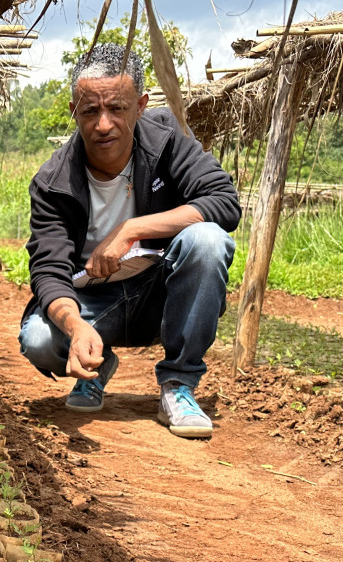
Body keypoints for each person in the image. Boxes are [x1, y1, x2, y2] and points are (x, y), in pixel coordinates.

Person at [17, 43, 241, 439]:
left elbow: (223, 202)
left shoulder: (167, 143)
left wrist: (132, 230)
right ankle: (96, 363)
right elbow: (49, 271)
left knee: (207, 240)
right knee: (37, 337)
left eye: (117, 109)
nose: (103, 125)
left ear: (140, 105)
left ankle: (178, 385)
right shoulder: (53, 183)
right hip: (95, 303)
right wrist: (76, 328)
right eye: (90, 111)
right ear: (74, 112)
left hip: (161, 294)